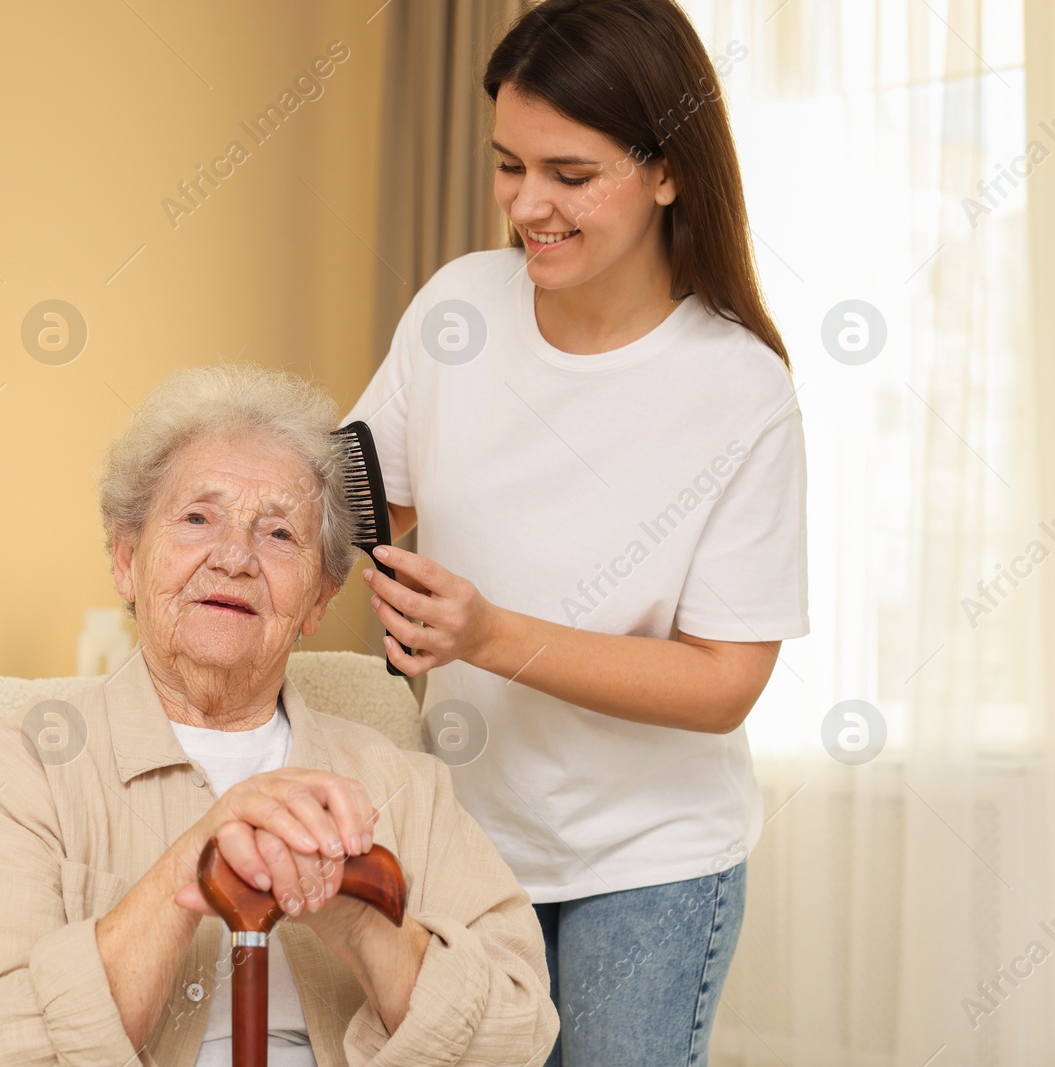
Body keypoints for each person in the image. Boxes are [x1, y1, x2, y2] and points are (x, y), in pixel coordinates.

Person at [342, 2, 809, 1064]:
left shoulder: (737, 388)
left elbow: (724, 680)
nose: (527, 205)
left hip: (650, 863)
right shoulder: (458, 305)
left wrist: (489, 634)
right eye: (509, 165)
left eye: (569, 173)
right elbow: (359, 495)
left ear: (667, 171)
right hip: (468, 840)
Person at [0, 364, 558, 1066]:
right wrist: (199, 853)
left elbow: (520, 1032)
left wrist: (361, 921)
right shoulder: (31, 769)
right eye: (198, 517)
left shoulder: (402, 784)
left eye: (279, 534)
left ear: (319, 601)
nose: (233, 556)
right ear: (126, 558)